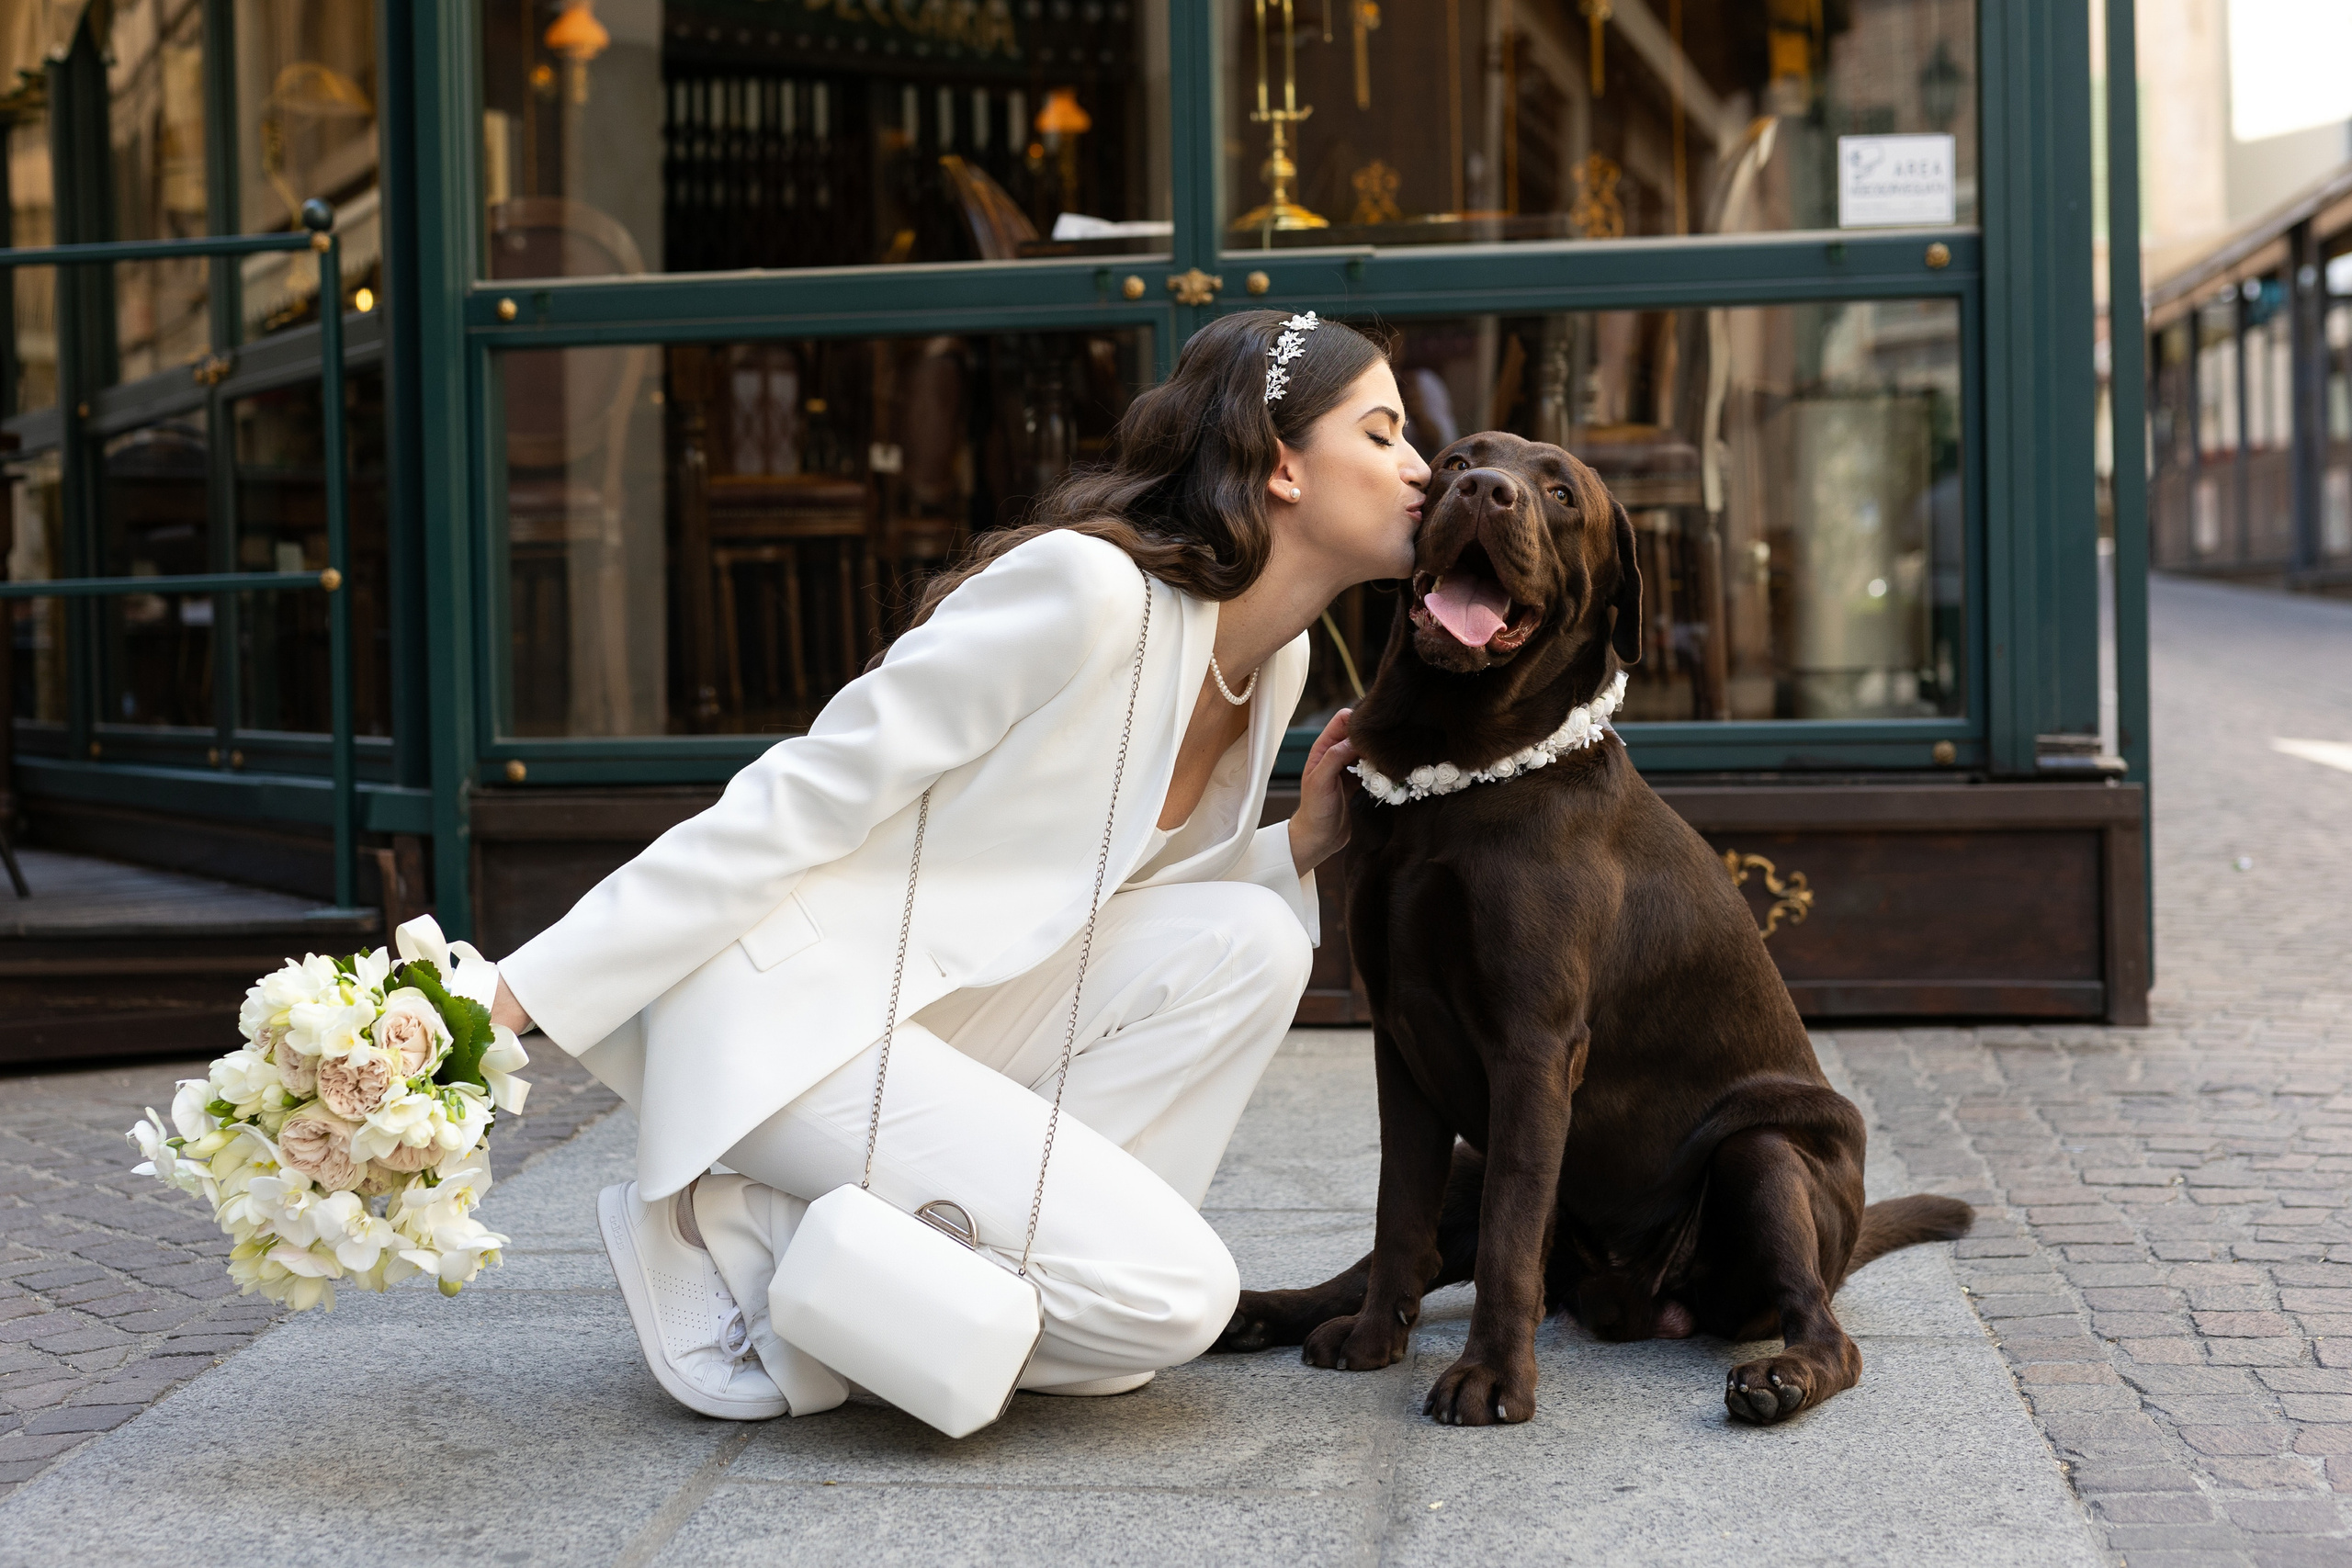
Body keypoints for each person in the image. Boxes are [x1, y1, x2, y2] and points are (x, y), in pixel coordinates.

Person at [491, 310, 1430, 1420]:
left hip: (945, 1010)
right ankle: (728, 1223)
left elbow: (1092, 907)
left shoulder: (1264, 668)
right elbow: (802, 796)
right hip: (801, 1018)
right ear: (1282, 464)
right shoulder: (1084, 591)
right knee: (1178, 1302)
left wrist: (1302, 844)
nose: (1421, 470)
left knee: (1256, 941)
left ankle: (832, 1265)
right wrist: (513, 995)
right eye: (1383, 434)